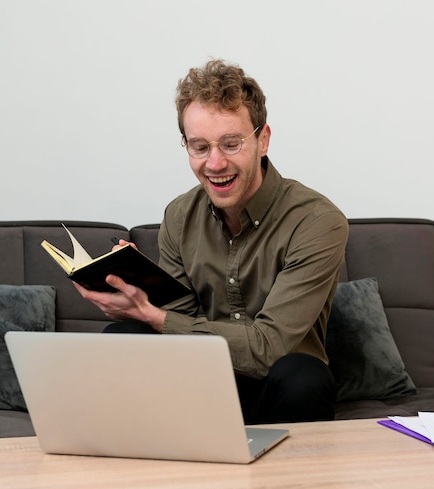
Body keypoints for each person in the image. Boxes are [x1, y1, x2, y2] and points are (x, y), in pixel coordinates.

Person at [75, 59, 349, 424]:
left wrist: (156, 316)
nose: (215, 163)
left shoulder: (317, 222)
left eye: (231, 143)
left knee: (304, 375)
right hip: (200, 384)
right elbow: (181, 316)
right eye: (200, 147)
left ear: (263, 140)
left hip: (279, 387)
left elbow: (269, 347)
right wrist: (143, 287)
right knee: (123, 335)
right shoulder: (178, 215)